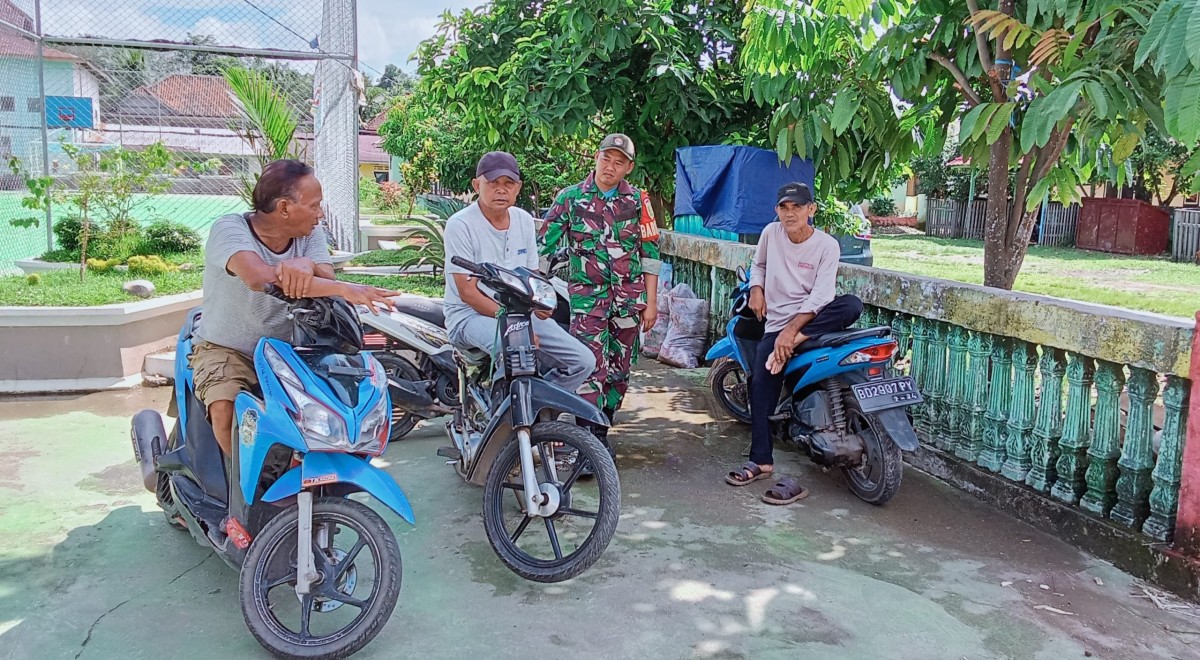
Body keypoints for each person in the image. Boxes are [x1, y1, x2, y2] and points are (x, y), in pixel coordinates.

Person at [190, 159, 399, 456]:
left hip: (289, 349)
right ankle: (246, 489)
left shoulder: (309, 234)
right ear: (285, 208)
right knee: (225, 407)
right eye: (314, 206)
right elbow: (258, 277)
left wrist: (307, 264)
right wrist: (345, 290)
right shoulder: (230, 228)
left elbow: (325, 274)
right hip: (229, 348)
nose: (320, 213)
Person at [725, 182, 864, 504]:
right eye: (784, 207)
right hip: (775, 324)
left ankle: (793, 341)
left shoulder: (826, 245)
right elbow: (757, 266)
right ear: (777, 210)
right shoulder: (770, 234)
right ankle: (761, 460)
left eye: (797, 207)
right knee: (761, 380)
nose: (790, 213)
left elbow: (822, 295)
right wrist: (757, 290)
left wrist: (791, 334)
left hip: (810, 319)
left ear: (811, 210)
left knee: (851, 304)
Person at [539, 133, 662, 447]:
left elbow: (650, 253)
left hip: (628, 301)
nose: (610, 166)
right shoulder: (569, 198)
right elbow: (543, 247)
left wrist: (651, 301)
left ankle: (603, 429)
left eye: (618, 162)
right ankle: (588, 440)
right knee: (591, 367)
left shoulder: (637, 201)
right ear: (596, 157)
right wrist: (534, 290)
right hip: (587, 301)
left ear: (628, 168)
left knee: (619, 372)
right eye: (606, 158)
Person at [443, 151, 595, 393]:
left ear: (518, 188)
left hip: (520, 314)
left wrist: (541, 304)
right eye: (493, 183)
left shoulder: (523, 220)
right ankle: (496, 417)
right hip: (467, 316)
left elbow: (531, 277)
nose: (501, 190)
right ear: (476, 184)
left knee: (583, 362)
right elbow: (468, 294)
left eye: (509, 184)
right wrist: (517, 328)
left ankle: (537, 409)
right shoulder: (460, 225)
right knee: (515, 349)